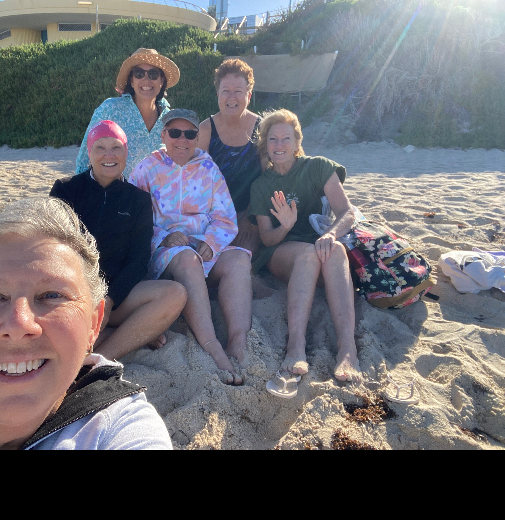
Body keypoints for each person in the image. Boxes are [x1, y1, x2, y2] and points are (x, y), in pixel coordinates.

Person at [0, 197, 173, 450]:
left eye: (53, 295)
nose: (19, 324)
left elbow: (138, 260)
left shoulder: (121, 427)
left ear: (94, 324)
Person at [130, 109, 253, 386]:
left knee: (238, 260)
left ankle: (238, 339)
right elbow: (133, 220)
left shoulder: (209, 169)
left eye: (189, 134)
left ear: (197, 138)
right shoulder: (146, 169)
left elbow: (225, 217)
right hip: (164, 251)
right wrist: (163, 237)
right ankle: (211, 343)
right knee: (187, 259)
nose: (182, 140)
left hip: (203, 246)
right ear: (163, 135)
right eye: (175, 133)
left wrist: (210, 241)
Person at [51, 120, 186, 360]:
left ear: (126, 152)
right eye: (100, 148)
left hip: (117, 297)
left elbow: (139, 260)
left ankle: (99, 358)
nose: (109, 155)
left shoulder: (138, 200)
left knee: (174, 293)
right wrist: (85, 295)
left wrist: (110, 300)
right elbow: (53, 249)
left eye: (116, 148)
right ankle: (134, 332)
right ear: (89, 153)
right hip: (74, 293)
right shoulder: (66, 190)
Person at [249, 109, 361, 383]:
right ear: (266, 144)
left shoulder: (318, 167)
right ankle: (296, 345)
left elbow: (347, 212)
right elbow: (266, 238)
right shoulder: (261, 185)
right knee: (309, 255)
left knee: (336, 250)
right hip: (282, 252)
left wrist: (331, 234)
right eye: (273, 139)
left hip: (320, 246)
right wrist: (285, 226)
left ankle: (348, 348)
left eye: (285, 138)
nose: (279, 145)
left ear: (297, 141)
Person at [75, 48, 180, 179]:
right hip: (115, 191)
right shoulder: (110, 109)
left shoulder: (169, 119)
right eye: (139, 73)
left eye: (153, 74)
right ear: (131, 80)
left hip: (157, 192)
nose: (146, 79)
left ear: (162, 81)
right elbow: (85, 158)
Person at [197, 59, 262, 255]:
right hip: (213, 215)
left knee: (244, 254)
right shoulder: (205, 130)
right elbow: (197, 182)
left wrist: (249, 219)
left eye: (238, 91)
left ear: (249, 95)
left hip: (251, 213)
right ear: (218, 94)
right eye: (226, 90)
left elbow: (268, 180)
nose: (231, 97)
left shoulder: (262, 129)